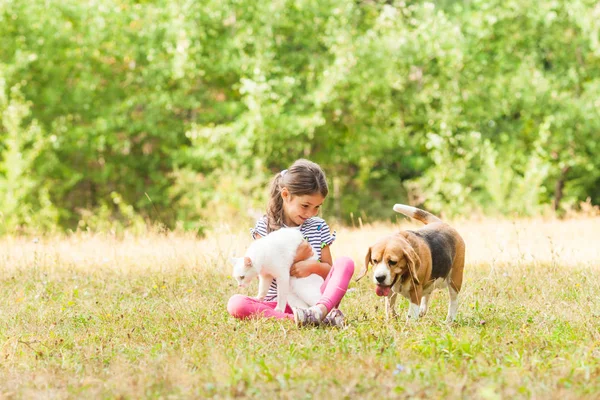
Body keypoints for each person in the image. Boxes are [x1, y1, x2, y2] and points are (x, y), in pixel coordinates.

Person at [227, 159, 355, 327]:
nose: (311, 213)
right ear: (286, 195)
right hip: (280, 304)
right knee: (236, 304)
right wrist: (295, 259)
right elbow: (263, 271)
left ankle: (320, 312)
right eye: (305, 205)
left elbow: (328, 271)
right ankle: (307, 319)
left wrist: (311, 267)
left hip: (319, 299)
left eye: (317, 207)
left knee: (346, 263)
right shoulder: (265, 228)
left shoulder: (318, 227)